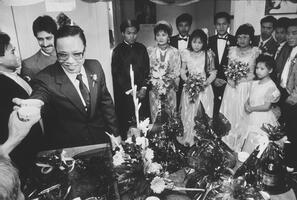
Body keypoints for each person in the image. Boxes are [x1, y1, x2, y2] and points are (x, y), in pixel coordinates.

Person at [14, 25, 120, 150]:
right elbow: (40, 94)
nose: (70, 61)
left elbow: (105, 102)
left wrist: (115, 134)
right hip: (70, 150)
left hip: (101, 140)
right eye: (63, 55)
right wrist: (33, 105)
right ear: (56, 52)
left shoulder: (95, 66)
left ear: (84, 50)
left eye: (76, 54)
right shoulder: (45, 78)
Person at [0, 32, 42, 176]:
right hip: (24, 156)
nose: (16, 54)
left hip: (39, 147)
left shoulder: (16, 75)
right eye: (12, 52)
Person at [220, 24, 261, 151]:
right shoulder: (232, 50)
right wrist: (230, 79)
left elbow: (258, 72)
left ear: (250, 38)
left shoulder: (256, 52)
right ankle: (227, 141)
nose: (241, 40)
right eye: (239, 37)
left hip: (247, 87)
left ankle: (241, 143)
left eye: (245, 37)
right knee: (230, 113)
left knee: (243, 115)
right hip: (232, 87)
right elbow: (227, 68)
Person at [177, 29, 216, 147]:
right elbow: (183, 70)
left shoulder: (208, 54)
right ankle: (188, 137)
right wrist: (187, 80)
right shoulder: (186, 53)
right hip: (190, 87)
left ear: (204, 43)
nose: (197, 45)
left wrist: (205, 83)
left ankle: (202, 140)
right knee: (187, 113)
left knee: (202, 113)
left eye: (200, 42)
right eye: (194, 42)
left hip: (204, 89)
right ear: (190, 42)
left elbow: (213, 73)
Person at [111, 19, 150, 139]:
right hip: (126, 95)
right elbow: (117, 74)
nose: (132, 36)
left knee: (143, 124)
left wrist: (144, 88)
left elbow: (147, 70)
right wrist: (130, 90)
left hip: (141, 94)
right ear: (123, 33)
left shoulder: (142, 48)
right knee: (127, 125)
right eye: (128, 33)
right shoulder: (118, 51)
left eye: (134, 33)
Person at [234, 55, 280, 153]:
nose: (258, 71)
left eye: (262, 69)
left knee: (256, 144)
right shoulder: (255, 83)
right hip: (250, 116)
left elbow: (266, 106)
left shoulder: (271, 86)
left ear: (270, 70)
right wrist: (246, 104)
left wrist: (252, 108)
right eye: (257, 68)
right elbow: (250, 97)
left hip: (261, 118)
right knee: (244, 141)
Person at [147, 21, 181, 123]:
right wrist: (155, 81)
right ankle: (156, 136)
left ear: (169, 36)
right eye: (158, 35)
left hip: (170, 88)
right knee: (156, 115)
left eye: (164, 35)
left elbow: (177, 71)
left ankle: (170, 136)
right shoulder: (150, 51)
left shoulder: (175, 52)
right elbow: (147, 70)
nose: (161, 38)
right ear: (155, 37)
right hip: (154, 89)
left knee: (170, 115)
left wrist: (169, 82)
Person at [275, 18, 297, 169]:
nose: (290, 36)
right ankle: (287, 162)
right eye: (288, 33)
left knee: (293, 132)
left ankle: (291, 165)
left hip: (293, 98)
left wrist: (294, 97)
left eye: (294, 33)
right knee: (287, 131)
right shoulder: (290, 49)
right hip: (285, 92)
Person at [208, 12, 236, 118]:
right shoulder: (209, 40)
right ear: (215, 25)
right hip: (211, 81)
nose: (221, 27)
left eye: (224, 24)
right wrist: (213, 79)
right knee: (212, 110)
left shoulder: (235, 40)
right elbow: (205, 62)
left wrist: (226, 79)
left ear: (228, 24)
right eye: (218, 24)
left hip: (228, 82)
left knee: (226, 112)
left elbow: (236, 63)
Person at [21, 15, 57, 82]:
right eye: (40, 39)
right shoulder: (28, 65)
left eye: (48, 38)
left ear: (56, 36)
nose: (45, 44)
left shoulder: (68, 55)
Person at [170, 13, 192, 110]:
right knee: (174, 103)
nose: (183, 28)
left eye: (186, 25)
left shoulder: (195, 41)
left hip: (189, 77)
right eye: (181, 25)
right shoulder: (170, 40)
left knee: (188, 104)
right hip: (173, 77)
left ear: (190, 26)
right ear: (177, 26)